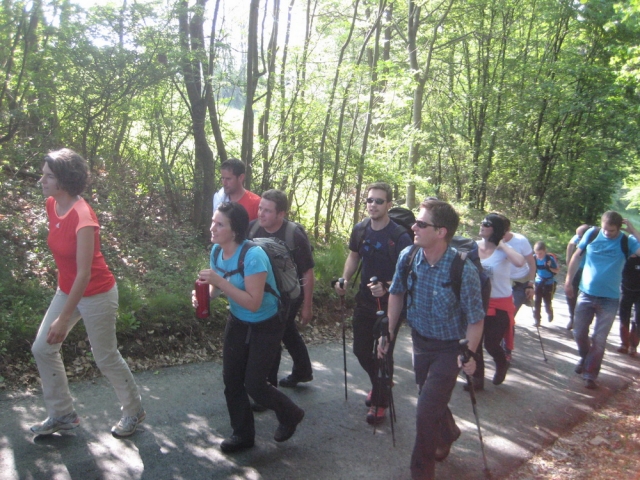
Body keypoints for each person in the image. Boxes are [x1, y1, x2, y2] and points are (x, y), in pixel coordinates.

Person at [31, 148, 145, 437]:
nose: (41, 180)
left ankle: (134, 411)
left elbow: (84, 274)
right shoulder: (51, 205)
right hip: (67, 290)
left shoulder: (84, 217)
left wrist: (63, 318)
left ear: (65, 180)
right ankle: (62, 414)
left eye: (48, 176)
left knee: (105, 357)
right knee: (42, 348)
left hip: (97, 293)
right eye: (43, 175)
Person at [379, 198, 485, 480]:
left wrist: (470, 354)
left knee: (425, 411)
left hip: (450, 348)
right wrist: (389, 332)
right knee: (428, 397)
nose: (413, 227)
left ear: (441, 232)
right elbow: (396, 293)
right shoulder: (409, 256)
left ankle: (421, 472)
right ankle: (448, 431)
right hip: (420, 341)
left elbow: (475, 319)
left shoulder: (463, 270)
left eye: (421, 223)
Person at [195, 202, 304, 453]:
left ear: (235, 230)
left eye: (219, 224)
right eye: (213, 221)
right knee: (231, 380)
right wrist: (203, 297)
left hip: (267, 323)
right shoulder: (217, 251)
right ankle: (242, 435)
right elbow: (215, 289)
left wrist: (219, 281)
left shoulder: (254, 256)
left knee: (255, 384)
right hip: (238, 320)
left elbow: (253, 303)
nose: (212, 227)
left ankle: (291, 413)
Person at [335, 182, 413, 425]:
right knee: (360, 350)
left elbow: (408, 274)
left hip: (391, 304)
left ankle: (380, 401)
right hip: (365, 300)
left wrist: (387, 286)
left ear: (389, 204)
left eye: (379, 201)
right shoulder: (360, 229)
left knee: (382, 353)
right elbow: (353, 256)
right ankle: (382, 383)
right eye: (370, 200)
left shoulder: (399, 237)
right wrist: (345, 279)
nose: (373, 205)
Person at [565, 211, 640, 389]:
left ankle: (590, 374)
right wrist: (568, 281)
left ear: (619, 228)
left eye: (612, 230)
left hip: (610, 299)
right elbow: (576, 256)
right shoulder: (592, 234)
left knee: (599, 339)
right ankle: (585, 357)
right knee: (579, 332)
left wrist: (633, 230)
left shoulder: (626, 241)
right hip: (586, 293)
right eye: (605, 229)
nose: (607, 233)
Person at [247, 189, 315, 387]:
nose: (261, 214)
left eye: (267, 211)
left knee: (273, 333)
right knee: (285, 330)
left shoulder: (294, 235)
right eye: (260, 208)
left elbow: (307, 272)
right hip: (265, 293)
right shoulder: (252, 230)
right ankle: (302, 370)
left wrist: (307, 306)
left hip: (289, 295)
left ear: (281, 214)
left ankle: (267, 384)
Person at [470, 213, 525, 390]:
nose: (482, 225)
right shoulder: (473, 246)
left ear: (496, 229)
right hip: (477, 302)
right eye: (482, 222)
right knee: (475, 344)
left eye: (486, 224)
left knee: (491, 344)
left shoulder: (504, 251)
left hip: (499, 303)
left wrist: (502, 244)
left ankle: (502, 363)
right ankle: (477, 379)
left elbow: (520, 262)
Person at [500, 216, 536, 360]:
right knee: (498, 318)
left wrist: (531, 284)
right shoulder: (491, 241)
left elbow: (532, 263)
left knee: (508, 316)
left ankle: (506, 350)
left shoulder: (521, 241)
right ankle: (497, 346)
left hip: (520, 284)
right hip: (500, 284)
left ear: (508, 229)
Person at [565, 224, 590, 330]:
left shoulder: (594, 239)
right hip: (577, 269)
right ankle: (572, 318)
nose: (577, 237)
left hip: (589, 270)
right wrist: (568, 261)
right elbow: (571, 244)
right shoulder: (578, 237)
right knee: (570, 294)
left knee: (586, 297)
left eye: (579, 236)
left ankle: (583, 323)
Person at [618, 252, 640, 356]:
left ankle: (633, 345)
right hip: (626, 289)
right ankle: (624, 343)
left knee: (638, 319)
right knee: (624, 317)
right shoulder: (627, 249)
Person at [533, 241, 559, 326]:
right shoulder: (534, 258)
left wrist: (549, 267)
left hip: (549, 283)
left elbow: (557, 270)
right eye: (537, 253)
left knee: (547, 302)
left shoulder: (549, 259)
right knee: (537, 302)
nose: (538, 255)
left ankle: (549, 312)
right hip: (538, 282)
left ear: (545, 251)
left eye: (540, 253)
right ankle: (537, 320)